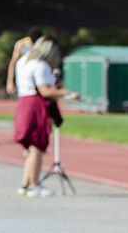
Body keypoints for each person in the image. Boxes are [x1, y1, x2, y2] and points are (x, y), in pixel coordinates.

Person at [13, 37, 77, 197]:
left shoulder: (23, 62)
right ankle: (34, 185)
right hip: (35, 105)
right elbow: (46, 91)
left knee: (31, 148)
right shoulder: (40, 66)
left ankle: (26, 183)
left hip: (24, 103)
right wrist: (68, 93)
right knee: (36, 146)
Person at [5, 27, 43, 96]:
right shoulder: (22, 44)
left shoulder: (41, 43)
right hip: (23, 76)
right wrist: (10, 82)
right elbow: (13, 62)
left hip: (36, 75)